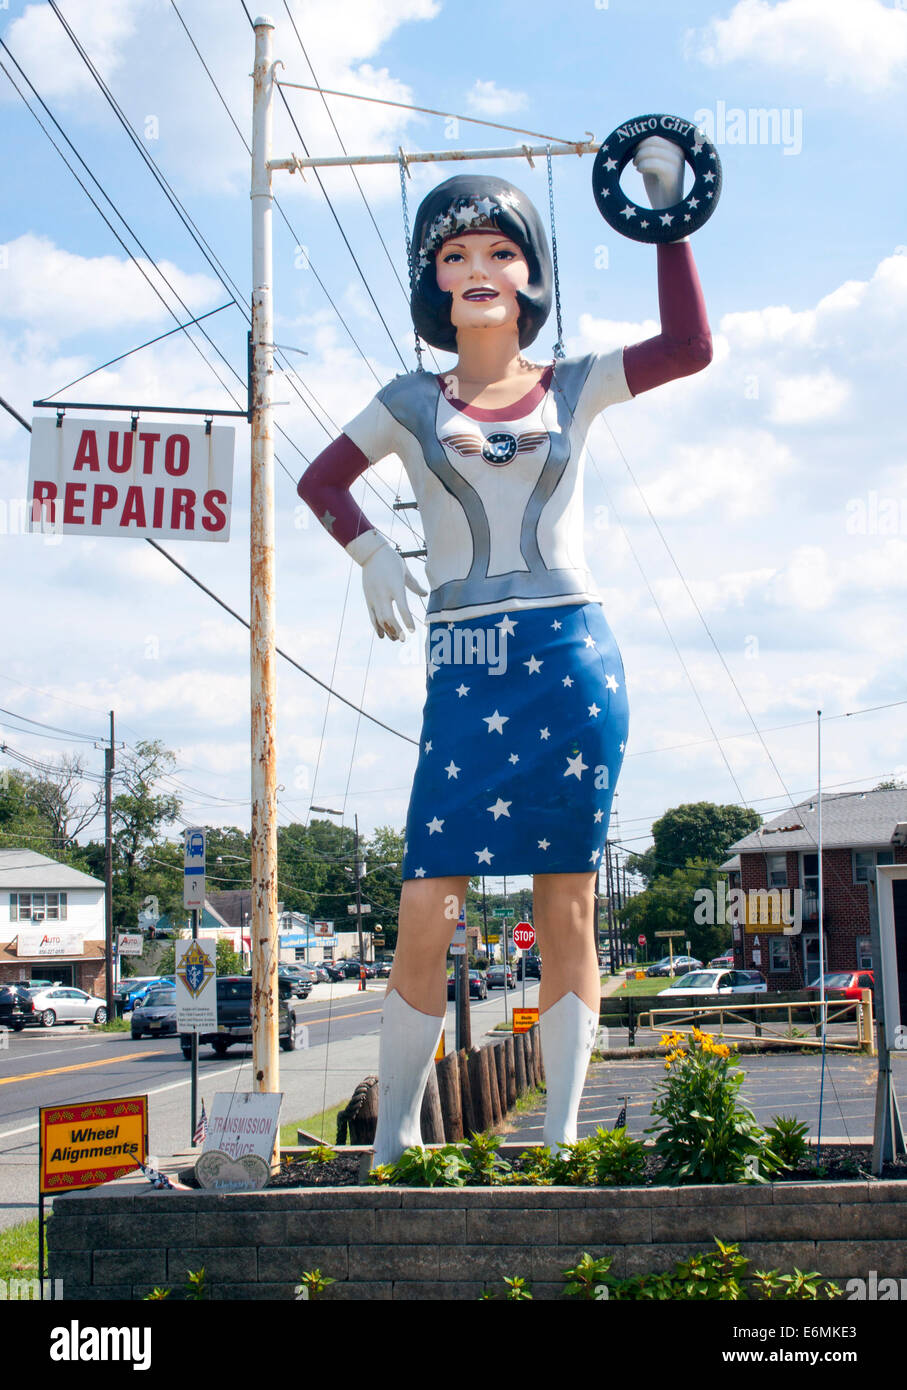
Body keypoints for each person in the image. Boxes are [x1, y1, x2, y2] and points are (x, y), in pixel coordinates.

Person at [298, 137, 712, 1164]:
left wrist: (670, 220)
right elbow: (319, 480)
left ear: (532, 274)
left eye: (500, 251)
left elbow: (689, 346)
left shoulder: (576, 385)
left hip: (569, 656)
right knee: (426, 901)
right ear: (430, 281)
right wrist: (369, 552)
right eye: (454, 255)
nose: (478, 270)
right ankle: (396, 1134)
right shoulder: (407, 401)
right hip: (463, 660)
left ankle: (565, 1135)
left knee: (565, 897)